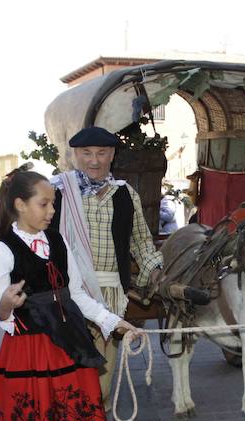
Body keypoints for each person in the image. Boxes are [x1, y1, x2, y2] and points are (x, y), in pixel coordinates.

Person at [0, 169, 139, 421]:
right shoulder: (2, 250)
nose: (51, 211)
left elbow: (77, 295)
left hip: (67, 346)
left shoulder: (58, 241)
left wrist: (114, 322)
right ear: (20, 204)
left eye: (53, 204)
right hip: (29, 352)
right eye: (44, 204)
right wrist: (7, 304)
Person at [50, 127, 162, 404]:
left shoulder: (126, 194)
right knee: (69, 374)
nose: (94, 161)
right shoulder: (58, 192)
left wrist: (156, 272)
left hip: (111, 297)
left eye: (101, 153)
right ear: (75, 155)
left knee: (104, 377)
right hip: (67, 296)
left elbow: (141, 242)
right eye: (87, 153)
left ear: (112, 155)